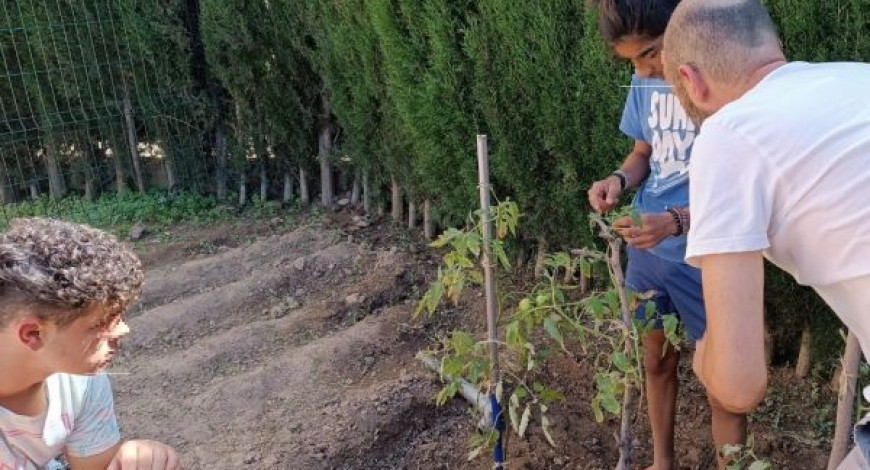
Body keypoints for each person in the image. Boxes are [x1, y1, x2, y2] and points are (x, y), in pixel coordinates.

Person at [662, 0, 870, 467]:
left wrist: (704, 357)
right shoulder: (857, 76)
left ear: (692, 81)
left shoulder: (729, 133)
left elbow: (739, 385)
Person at [587, 1, 746, 468]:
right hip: (650, 250)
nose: (643, 69)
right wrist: (617, 180)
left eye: (650, 53)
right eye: (632, 61)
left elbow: (744, 187)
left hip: (710, 257)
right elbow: (642, 153)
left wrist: (676, 221)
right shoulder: (643, 82)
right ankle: (662, 462)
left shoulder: (725, 81)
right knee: (655, 363)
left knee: (726, 386)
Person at [0, 218, 180, 469]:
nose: (122, 330)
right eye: (100, 323)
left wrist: (135, 461)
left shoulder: (81, 382)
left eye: (119, 317)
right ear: (33, 334)